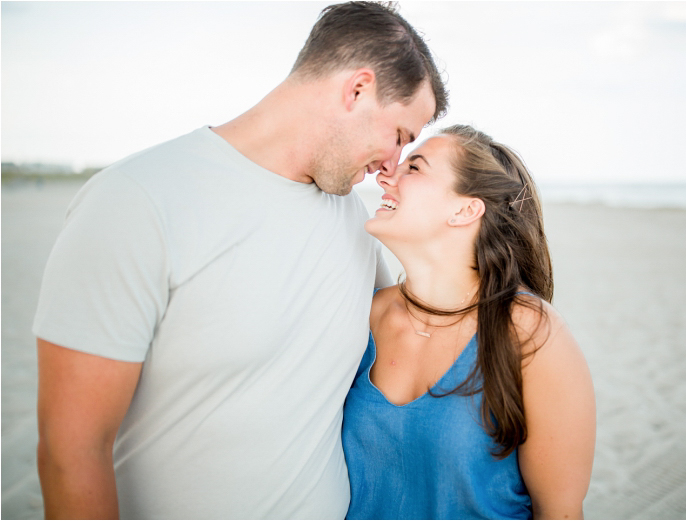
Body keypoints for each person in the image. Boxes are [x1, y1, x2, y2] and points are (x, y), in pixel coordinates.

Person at [33, 2, 448, 518]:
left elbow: (424, 322)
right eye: (400, 136)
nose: (393, 165)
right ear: (357, 89)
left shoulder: (352, 221)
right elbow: (72, 451)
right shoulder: (136, 201)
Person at [342, 124, 596, 519]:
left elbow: (560, 513)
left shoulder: (528, 332)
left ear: (465, 210)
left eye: (415, 167)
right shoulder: (365, 314)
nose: (385, 173)